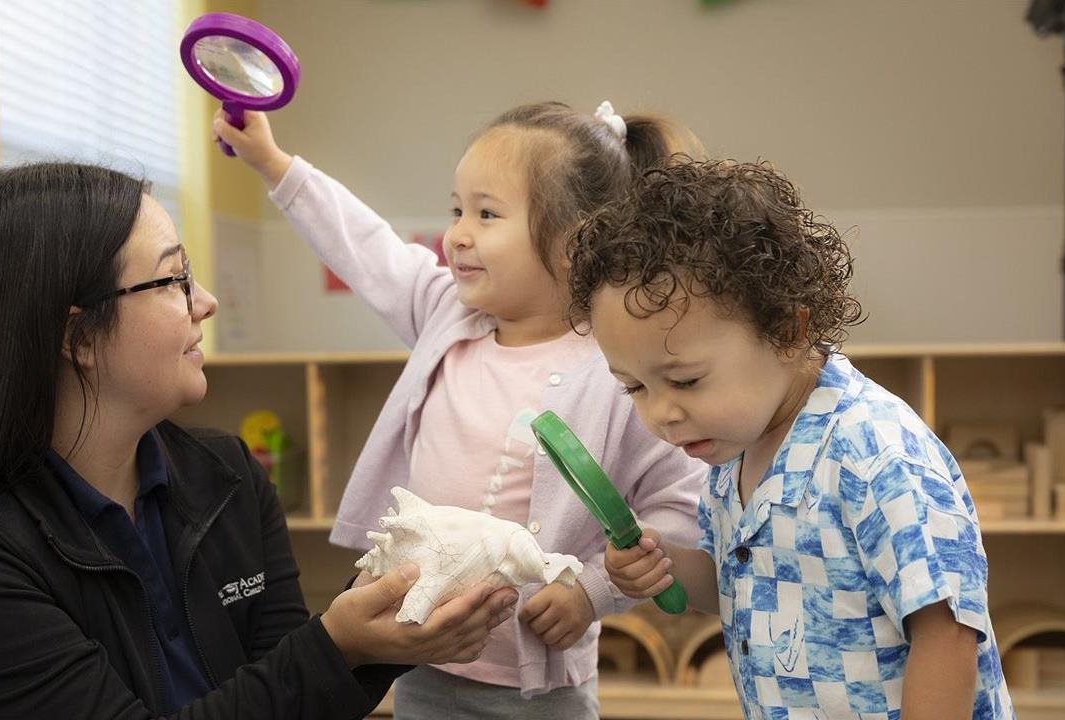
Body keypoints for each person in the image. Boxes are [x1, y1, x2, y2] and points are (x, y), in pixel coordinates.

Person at [0, 162, 518, 720]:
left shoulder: (225, 476)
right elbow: (300, 670)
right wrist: (337, 643)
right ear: (76, 337)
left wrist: (384, 637)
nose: (206, 301)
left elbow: (291, 690)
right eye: (175, 278)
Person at [215, 101, 708, 718]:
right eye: (457, 209)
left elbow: (675, 502)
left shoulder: (616, 368)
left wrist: (592, 590)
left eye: (487, 213)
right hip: (421, 657)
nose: (458, 233)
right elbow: (366, 248)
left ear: (577, 239)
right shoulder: (447, 314)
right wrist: (271, 161)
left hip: (540, 686)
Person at [571, 159, 1014, 718]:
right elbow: (743, 586)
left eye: (685, 380)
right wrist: (665, 565)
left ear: (785, 330)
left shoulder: (873, 451)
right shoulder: (730, 453)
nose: (661, 414)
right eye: (634, 387)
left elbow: (947, 632)